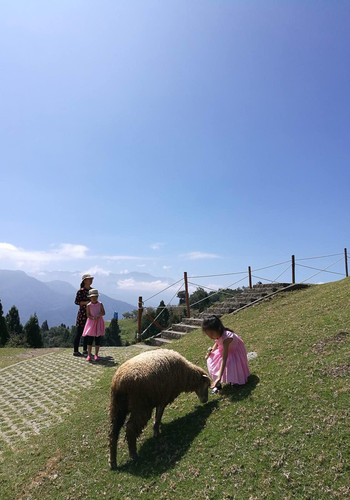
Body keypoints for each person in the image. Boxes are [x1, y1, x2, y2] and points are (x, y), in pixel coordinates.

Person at [203, 315, 250, 390]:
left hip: (234, 351)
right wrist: (211, 351)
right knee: (211, 360)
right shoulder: (218, 334)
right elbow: (217, 342)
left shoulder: (227, 338)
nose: (211, 337)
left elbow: (224, 358)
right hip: (224, 350)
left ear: (218, 328)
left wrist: (219, 377)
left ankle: (235, 380)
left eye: (211, 334)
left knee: (230, 364)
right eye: (208, 335)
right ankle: (218, 384)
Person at [73, 273, 94, 357]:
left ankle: (85, 349)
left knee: (88, 332)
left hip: (90, 313)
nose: (91, 280)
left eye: (91, 279)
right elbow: (77, 302)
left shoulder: (92, 290)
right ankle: (75, 350)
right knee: (79, 332)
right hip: (82, 314)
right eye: (89, 279)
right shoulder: (80, 291)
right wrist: (87, 302)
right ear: (84, 281)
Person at [82, 289, 105, 362]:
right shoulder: (88, 305)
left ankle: (96, 354)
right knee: (90, 339)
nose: (94, 298)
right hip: (91, 323)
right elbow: (88, 314)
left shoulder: (100, 304)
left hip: (98, 322)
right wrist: (92, 318)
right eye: (93, 297)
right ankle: (89, 355)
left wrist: (99, 316)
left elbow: (103, 312)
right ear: (90, 297)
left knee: (97, 339)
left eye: (95, 296)